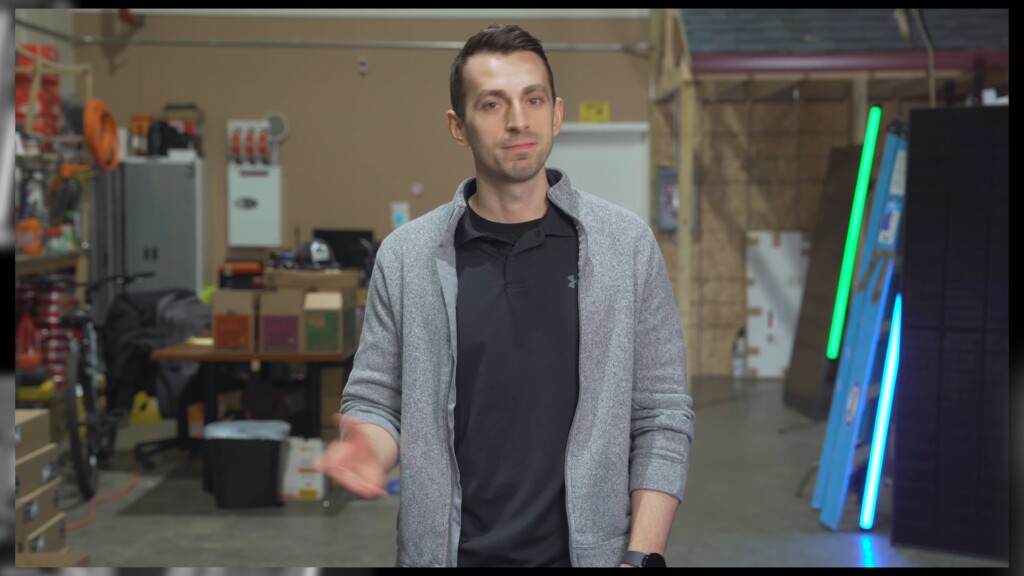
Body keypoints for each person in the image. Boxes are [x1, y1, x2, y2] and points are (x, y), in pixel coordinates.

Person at [316, 23, 694, 568]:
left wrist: (642, 557)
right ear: (458, 126)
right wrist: (367, 449)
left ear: (556, 112)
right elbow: (377, 402)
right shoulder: (406, 258)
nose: (518, 120)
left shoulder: (625, 247)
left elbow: (661, 414)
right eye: (492, 104)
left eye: (532, 99)